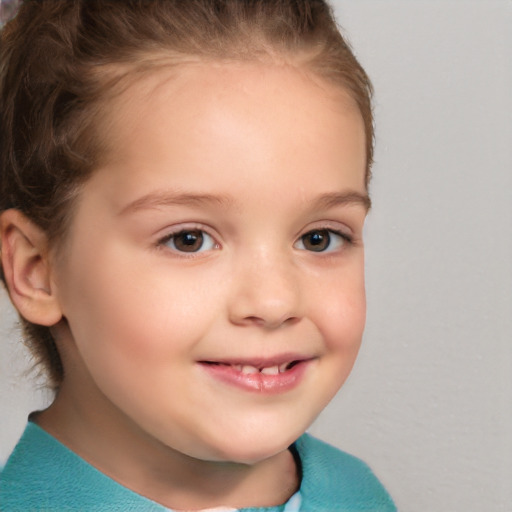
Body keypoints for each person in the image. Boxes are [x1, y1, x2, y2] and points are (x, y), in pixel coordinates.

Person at [0, 1, 396, 510]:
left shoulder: (356, 493)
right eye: (189, 239)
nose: (275, 302)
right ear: (37, 270)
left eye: (318, 238)